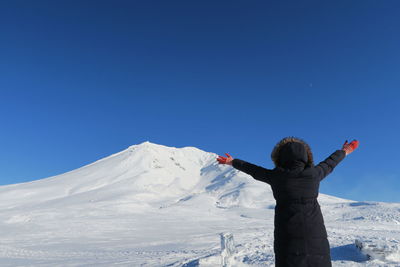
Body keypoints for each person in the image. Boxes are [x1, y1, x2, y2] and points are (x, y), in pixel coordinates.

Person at [217, 137, 359, 267]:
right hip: (316, 241)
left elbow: (253, 170)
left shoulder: (276, 176)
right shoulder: (314, 174)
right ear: (306, 156)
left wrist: (233, 162)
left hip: (288, 241)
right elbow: (331, 162)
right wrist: (346, 150)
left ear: (279, 157)